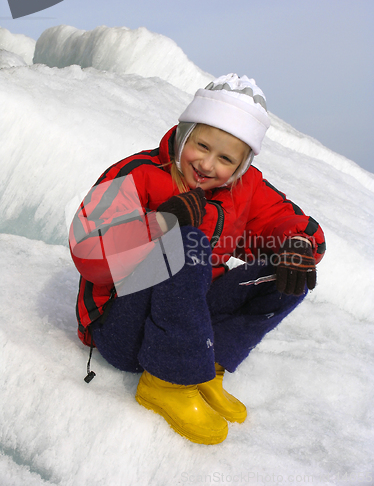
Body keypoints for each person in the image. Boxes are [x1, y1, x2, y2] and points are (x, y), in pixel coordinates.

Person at [69, 73, 326, 445]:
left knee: (288, 272)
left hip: (188, 323)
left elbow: (288, 222)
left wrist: (297, 245)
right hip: (121, 327)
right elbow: (87, 251)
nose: (207, 164)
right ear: (184, 133)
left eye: (225, 158)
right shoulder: (139, 174)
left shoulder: (245, 187)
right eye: (201, 145)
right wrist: (160, 223)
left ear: (241, 165)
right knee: (187, 241)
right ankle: (169, 382)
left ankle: (208, 367)